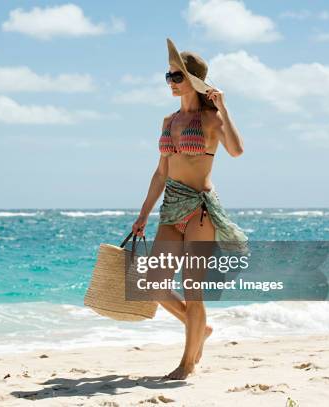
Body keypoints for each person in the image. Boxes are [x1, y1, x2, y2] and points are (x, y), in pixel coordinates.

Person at [132, 38, 248, 380]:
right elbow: (161, 171)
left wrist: (224, 108)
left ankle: (187, 365)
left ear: (193, 81)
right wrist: (143, 214)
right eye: (168, 76)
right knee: (153, 284)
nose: (170, 82)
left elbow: (237, 151)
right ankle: (200, 329)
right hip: (171, 207)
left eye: (176, 77)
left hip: (199, 210)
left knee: (193, 290)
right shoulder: (168, 121)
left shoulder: (211, 118)